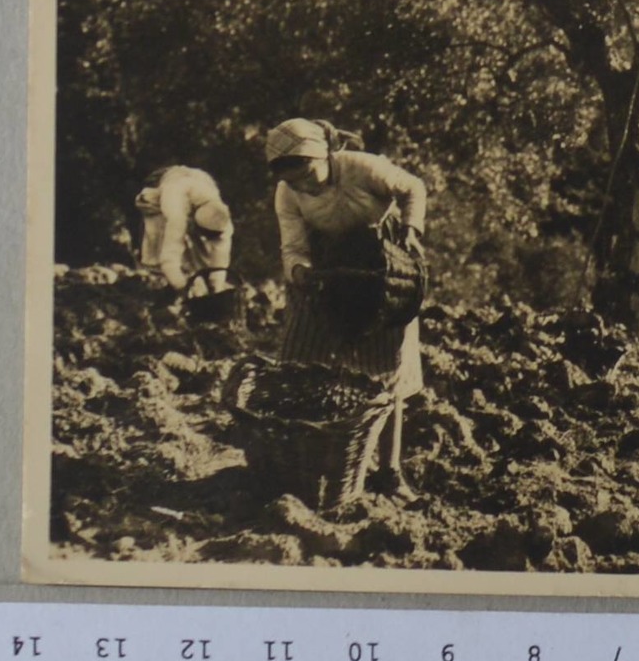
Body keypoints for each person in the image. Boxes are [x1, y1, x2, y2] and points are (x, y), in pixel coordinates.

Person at [266, 117, 428, 499]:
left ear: (325, 155)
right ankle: (293, 460)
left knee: (385, 371)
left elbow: (413, 188)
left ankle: (389, 474)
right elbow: (292, 247)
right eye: (293, 179)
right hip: (325, 268)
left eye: (308, 173)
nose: (303, 184)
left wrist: (410, 230)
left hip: (382, 267)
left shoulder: (362, 166)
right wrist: (301, 272)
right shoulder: (287, 194)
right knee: (298, 361)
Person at [134, 166, 233, 298]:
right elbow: (169, 257)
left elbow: (220, 259)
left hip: (200, 181)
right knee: (155, 214)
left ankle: (196, 276)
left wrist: (216, 288)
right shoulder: (176, 209)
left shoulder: (222, 221)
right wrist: (182, 287)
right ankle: (157, 275)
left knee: (205, 259)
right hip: (168, 182)